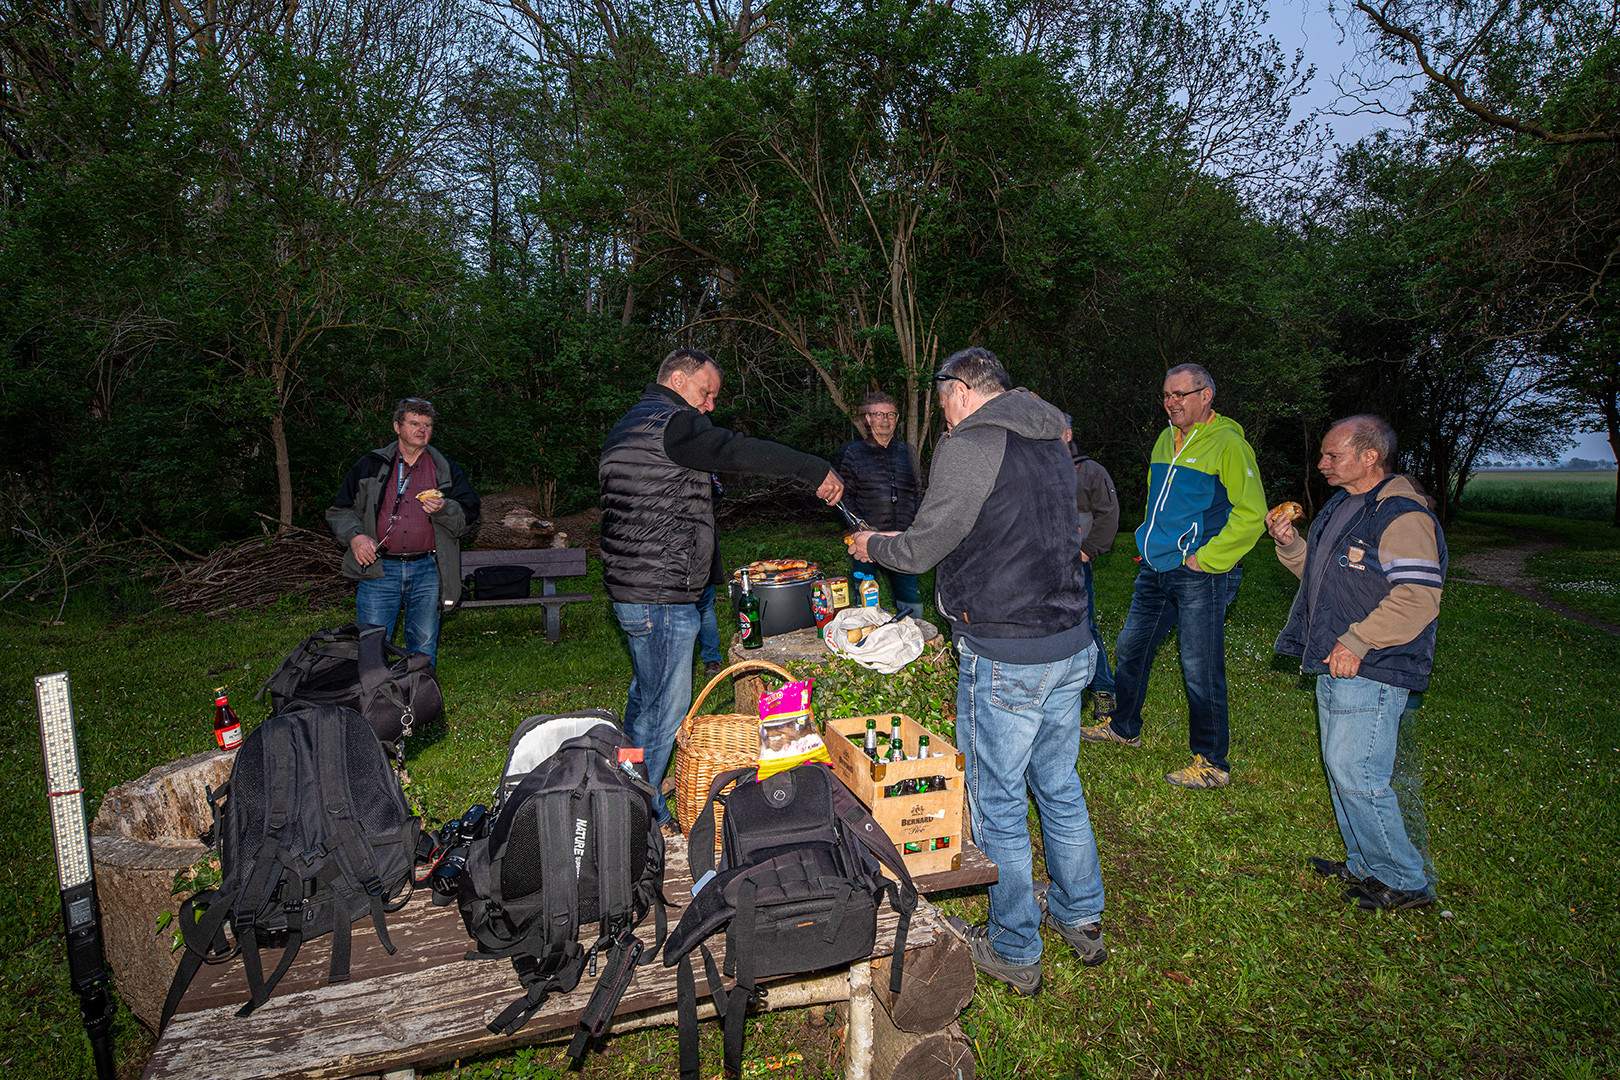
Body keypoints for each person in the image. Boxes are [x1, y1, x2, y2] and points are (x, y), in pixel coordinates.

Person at [850, 347, 1106, 997]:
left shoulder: (972, 442)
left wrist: (872, 545)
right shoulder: (1047, 435)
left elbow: (928, 541)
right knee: (1058, 786)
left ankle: (1016, 946)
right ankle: (1080, 912)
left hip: (1008, 650)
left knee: (997, 801)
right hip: (1070, 640)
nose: (942, 416)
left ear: (960, 390)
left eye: (941, 402)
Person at [599, 348, 843, 827]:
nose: (709, 406)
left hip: (633, 587)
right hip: (662, 591)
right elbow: (736, 449)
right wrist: (811, 468)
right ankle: (638, 814)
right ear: (677, 378)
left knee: (643, 697)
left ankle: (622, 782)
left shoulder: (630, 424)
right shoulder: (674, 423)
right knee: (662, 712)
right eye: (705, 392)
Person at [1268, 416, 1445, 911]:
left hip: (1372, 663)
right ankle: (1367, 865)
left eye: (1333, 455)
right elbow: (1324, 576)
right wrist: (1291, 546)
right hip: (1338, 658)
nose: (1322, 464)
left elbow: (1418, 597)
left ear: (1370, 457)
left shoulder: (1401, 515)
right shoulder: (1345, 507)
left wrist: (1358, 642)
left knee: (1358, 773)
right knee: (1342, 767)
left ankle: (1405, 881)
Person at [1081, 363, 1265, 789]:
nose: (1172, 402)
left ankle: (1212, 763)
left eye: (1182, 394)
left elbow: (1252, 514)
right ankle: (1124, 728)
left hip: (1201, 573)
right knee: (1131, 647)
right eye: (1167, 394)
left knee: (1200, 666)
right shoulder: (1166, 439)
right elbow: (1159, 504)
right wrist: (1149, 542)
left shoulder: (1229, 445)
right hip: (1156, 567)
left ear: (1206, 396)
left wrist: (1208, 557)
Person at [326, 398, 480, 666]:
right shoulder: (371, 464)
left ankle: (420, 701)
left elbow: (468, 518)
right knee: (371, 643)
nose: (422, 429)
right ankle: (373, 702)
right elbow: (339, 510)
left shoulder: (445, 469)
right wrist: (356, 536)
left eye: (427, 425)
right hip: (380, 570)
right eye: (414, 423)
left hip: (428, 570)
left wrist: (444, 508)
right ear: (397, 427)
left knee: (423, 644)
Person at [833, 390, 924, 617]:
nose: (885, 420)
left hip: (901, 541)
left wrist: (916, 526)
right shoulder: (853, 453)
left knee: (910, 600)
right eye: (879, 415)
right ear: (868, 419)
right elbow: (844, 497)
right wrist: (862, 529)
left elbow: (918, 491)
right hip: (866, 541)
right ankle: (866, 643)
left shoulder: (907, 452)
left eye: (890, 415)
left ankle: (916, 640)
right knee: (865, 600)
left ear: (897, 419)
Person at [1062, 420, 1120, 724]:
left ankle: (1104, 692)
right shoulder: (1039, 466)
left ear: (1069, 433)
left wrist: (1088, 550)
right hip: (1038, 565)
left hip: (1076, 564)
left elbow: (1109, 514)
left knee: (1085, 627)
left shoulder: (1090, 471)